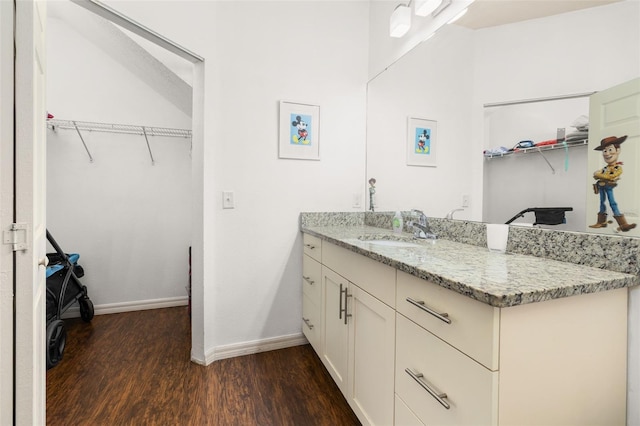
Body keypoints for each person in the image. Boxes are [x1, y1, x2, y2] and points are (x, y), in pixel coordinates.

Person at [589, 135, 636, 232]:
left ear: (618, 150)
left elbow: (610, 176)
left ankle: (623, 224)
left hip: (609, 186)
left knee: (613, 203)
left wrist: (599, 175)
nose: (607, 153)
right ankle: (601, 222)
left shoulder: (618, 168)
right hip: (601, 186)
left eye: (610, 149)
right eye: (605, 151)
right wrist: (599, 175)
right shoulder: (605, 168)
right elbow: (595, 176)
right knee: (602, 203)